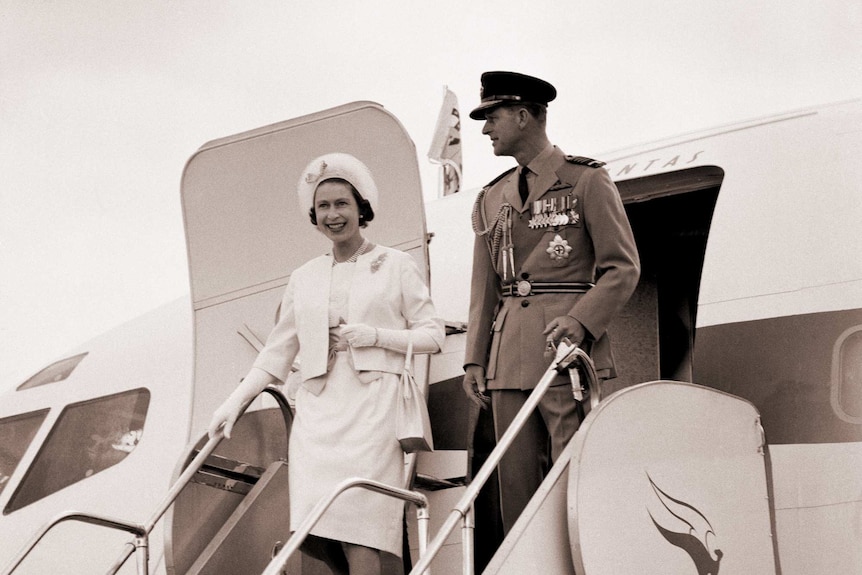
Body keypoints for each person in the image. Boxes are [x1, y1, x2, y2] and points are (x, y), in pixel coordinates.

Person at [208, 152, 445, 575]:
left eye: (342, 204)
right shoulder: (305, 276)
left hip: (373, 408)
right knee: (316, 531)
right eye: (323, 207)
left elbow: (432, 335)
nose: (333, 215)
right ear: (313, 215)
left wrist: (377, 337)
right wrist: (235, 401)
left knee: (362, 527)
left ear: (361, 208)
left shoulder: (395, 265)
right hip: (319, 414)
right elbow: (278, 350)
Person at [461, 71, 640, 537]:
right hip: (506, 355)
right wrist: (474, 358)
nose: (485, 129)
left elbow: (622, 268)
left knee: (571, 477)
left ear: (523, 116)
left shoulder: (587, 181)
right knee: (515, 489)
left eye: (492, 117)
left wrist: (581, 322)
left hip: (563, 352)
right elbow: (484, 287)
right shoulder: (490, 196)